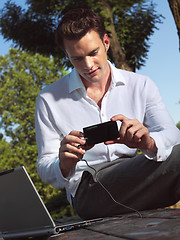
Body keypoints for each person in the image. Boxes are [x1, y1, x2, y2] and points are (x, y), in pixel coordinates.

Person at [35, 8, 180, 219]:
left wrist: (148, 142)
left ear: (106, 42)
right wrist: (63, 164)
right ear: (67, 55)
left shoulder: (141, 85)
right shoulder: (48, 98)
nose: (88, 65)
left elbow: (173, 135)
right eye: (77, 58)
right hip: (88, 189)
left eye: (93, 53)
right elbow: (44, 165)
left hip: (137, 174)